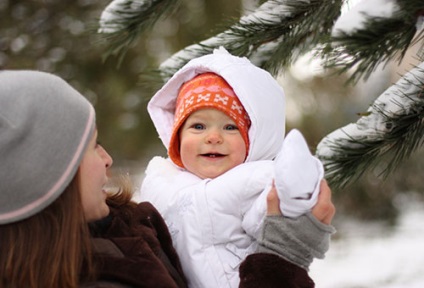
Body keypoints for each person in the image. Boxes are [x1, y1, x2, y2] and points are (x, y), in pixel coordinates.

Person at [0, 69, 335, 288]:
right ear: (47, 178)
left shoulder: (122, 226)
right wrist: (283, 257)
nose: (107, 160)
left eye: (229, 127)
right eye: (92, 146)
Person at [138, 48, 336, 288]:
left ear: (251, 140)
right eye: (198, 126)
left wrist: (297, 188)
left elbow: (276, 214)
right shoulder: (161, 179)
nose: (213, 137)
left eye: (230, 128)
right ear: (176, 137)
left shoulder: (250, 179)